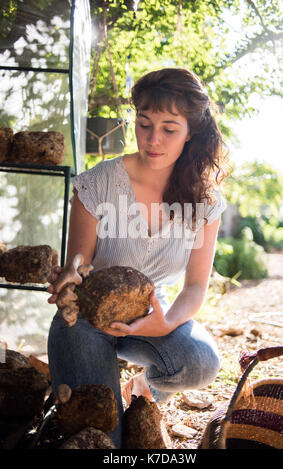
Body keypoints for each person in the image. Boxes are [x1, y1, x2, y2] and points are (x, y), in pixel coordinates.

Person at [47, 67, 229, 448]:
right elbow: (78, 264)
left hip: (151, 310)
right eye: (144, 124)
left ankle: (144, 387)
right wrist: (68, 276)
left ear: (191, 130)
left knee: (201, 361)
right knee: (101, 435)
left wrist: (164, 324)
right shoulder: (97, 183)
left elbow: (196, 287)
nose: (153, 140)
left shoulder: (205, 201)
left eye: (169, 128)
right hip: (84, 318)